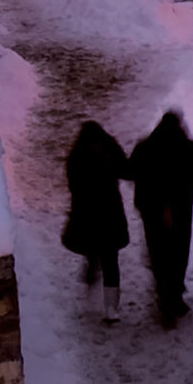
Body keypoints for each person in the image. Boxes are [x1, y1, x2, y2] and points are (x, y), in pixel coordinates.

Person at [129, 111, 193, 327]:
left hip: (152, 210)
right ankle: (175, 295)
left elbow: (129, 171)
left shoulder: (145, 148)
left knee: (158, 253)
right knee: (179, 253)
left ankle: (165, 297)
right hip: (180, 211)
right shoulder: (192, 149)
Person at [62, 120, 131, 323]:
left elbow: (72, 184)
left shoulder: (76, 157)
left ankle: (90, 272)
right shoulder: (110, 150)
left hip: (87, 214)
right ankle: (111, 308)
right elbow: (127, 170)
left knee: (92, 248)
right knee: (111, 259)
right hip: (110, 214)